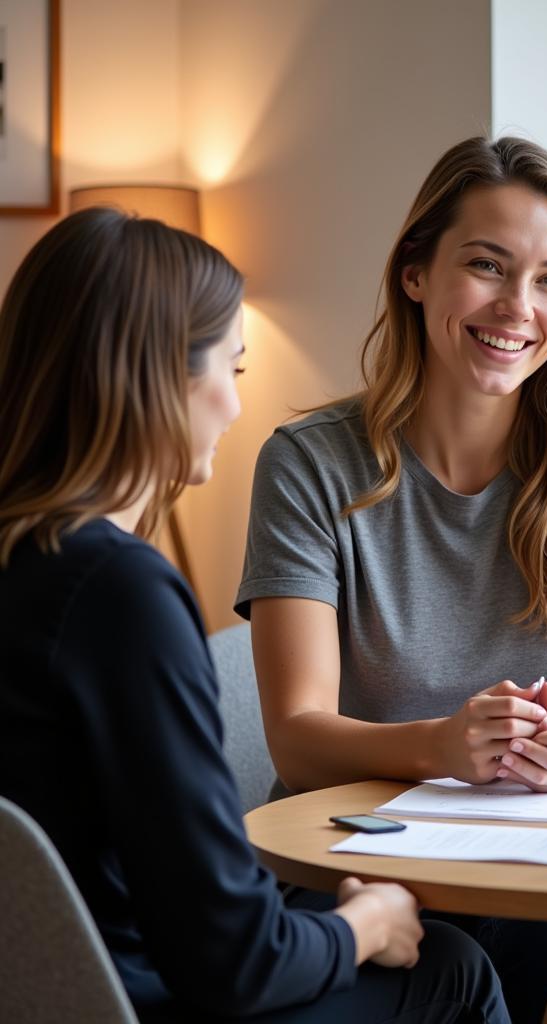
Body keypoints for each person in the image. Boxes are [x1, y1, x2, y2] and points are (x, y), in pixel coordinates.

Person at [237, 135, 547, 1022]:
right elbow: (296, 737)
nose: (518, 307)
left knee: (543, 944)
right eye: (487, 266)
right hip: (366, 864)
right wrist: (441, 747)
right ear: (415, 272)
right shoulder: (309, 463)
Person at [0, 207, 510, 1024]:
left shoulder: (28, 566)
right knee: (449, 966)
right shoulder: (121, 595)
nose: (236, 409)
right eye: (232, 371)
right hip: (135, 997)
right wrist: (365, 923)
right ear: (164, 374)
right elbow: (233, 960)